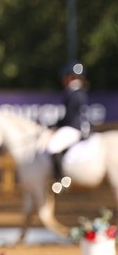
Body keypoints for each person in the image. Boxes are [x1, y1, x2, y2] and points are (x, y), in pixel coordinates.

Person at [48, 62, 90, 194]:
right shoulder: (81, 92)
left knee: (52, 147)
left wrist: (57, 126)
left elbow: (70, 116)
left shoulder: (71, 92)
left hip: (73, 128)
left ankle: (61, 180)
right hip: (79, 127)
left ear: (69, 77)